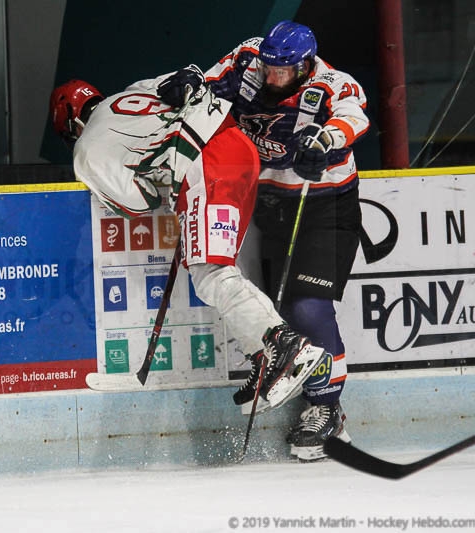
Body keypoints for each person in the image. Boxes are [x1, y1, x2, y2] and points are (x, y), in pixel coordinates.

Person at [49, 72, 329, 416]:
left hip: (206, 167)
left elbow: (139, 202)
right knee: (218, 269)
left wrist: (160, 181)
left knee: (211, 274)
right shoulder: (135, 89)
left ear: (71, 122)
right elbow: (193, 79)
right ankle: (264, 354)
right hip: (237, 147)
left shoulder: (86, 150)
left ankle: (284, 344)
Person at [167, 20, 368, 461]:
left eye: (283, 70)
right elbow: (209, 84)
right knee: (254, 300)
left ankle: (326, 408)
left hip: (323, 208)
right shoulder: (249, 58)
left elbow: (354, 118)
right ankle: (270, 367)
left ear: (305, 64)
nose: (272, 76)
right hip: (262, 202)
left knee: (306, 307)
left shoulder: (332, 84)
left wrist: (325, 140)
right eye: (269, 67)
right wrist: (186, 81)